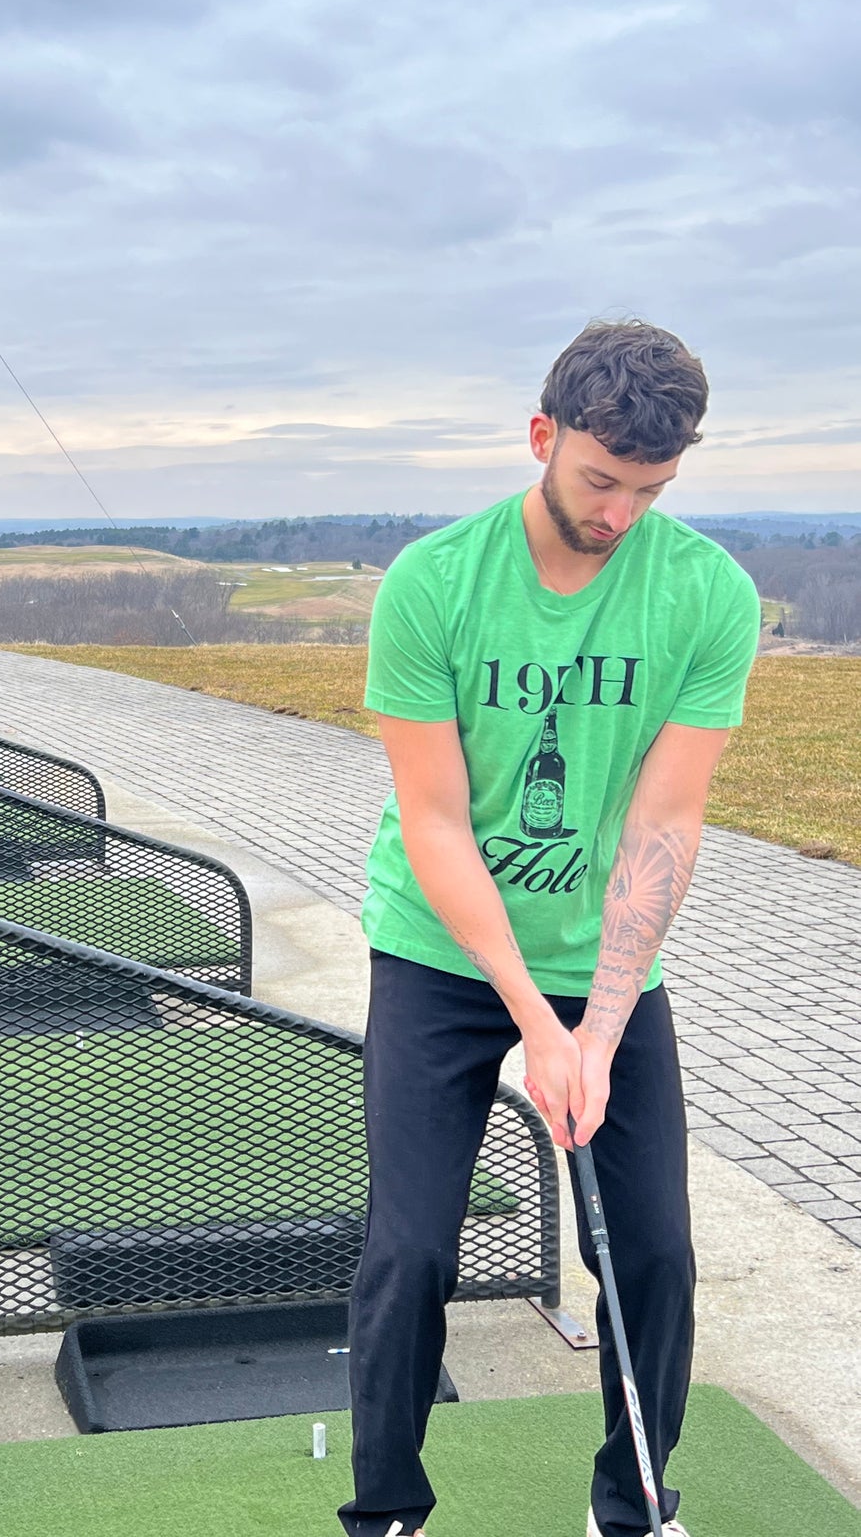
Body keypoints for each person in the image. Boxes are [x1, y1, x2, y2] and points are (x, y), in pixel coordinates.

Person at [339, 320, 760, 1537]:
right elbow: (434, 822)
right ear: (541, 437)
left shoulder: (709, 595)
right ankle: (386, 1512)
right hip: (439, 949)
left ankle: (631, 1506)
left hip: (604, 960)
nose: (619, 512)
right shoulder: (433, 582)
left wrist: (598, 1026)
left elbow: (662, 825)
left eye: (649, 489)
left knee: (655, 1253)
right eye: (599, 479)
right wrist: (533, 1020)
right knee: (410, 1250)